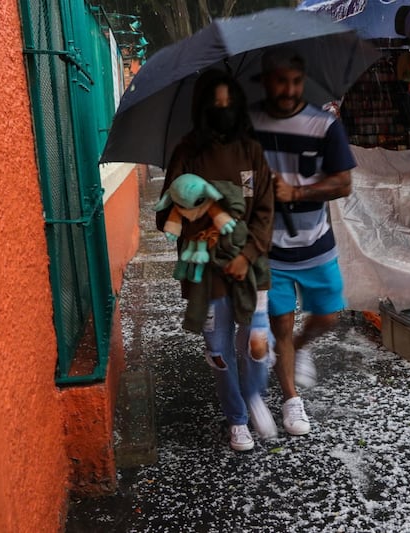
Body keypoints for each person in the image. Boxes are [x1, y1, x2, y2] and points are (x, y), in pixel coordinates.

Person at [157, 69, 276, 451]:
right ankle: (237, 417)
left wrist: (247, 253)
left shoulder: (252, 150)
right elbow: (165, 215)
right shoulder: (187, 151)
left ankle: (254, 394)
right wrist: (203, 223)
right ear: (202, 107)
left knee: (256, 342)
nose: (223, 109)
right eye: (215, 103)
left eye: (229, 102)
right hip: (205, 273)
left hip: (251, 268)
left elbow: (265, 211)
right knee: (220, 352)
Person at [249, 47, 356, 436]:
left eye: (296, 81)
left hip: (315, 245)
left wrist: (295, 192)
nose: (290, 89)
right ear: (265, 80)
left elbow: (343, 183)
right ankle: (292, 401)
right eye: (281, 81)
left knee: (328, 314)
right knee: (279, 327)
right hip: (268, 249)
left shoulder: (324, 125)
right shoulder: (248, 124)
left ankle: (300, 346)